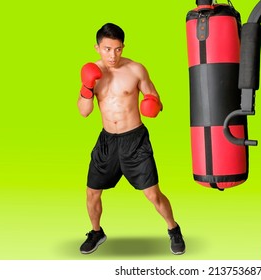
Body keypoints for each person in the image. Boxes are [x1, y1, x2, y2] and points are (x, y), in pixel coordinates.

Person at [77, 23, 185, 255]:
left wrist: (153, 104)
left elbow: (155, 98)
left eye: (117, 49)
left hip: (135, 140)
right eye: (107, 49)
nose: (112, 55)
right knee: (91, 192)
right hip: (107, 141)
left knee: (153, 194)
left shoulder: (136, 69)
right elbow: (84, 111)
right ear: (97, 47)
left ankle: (173, 228)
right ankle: (96, 232)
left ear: (123, 47)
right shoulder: (91, 72)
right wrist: (87, 87)